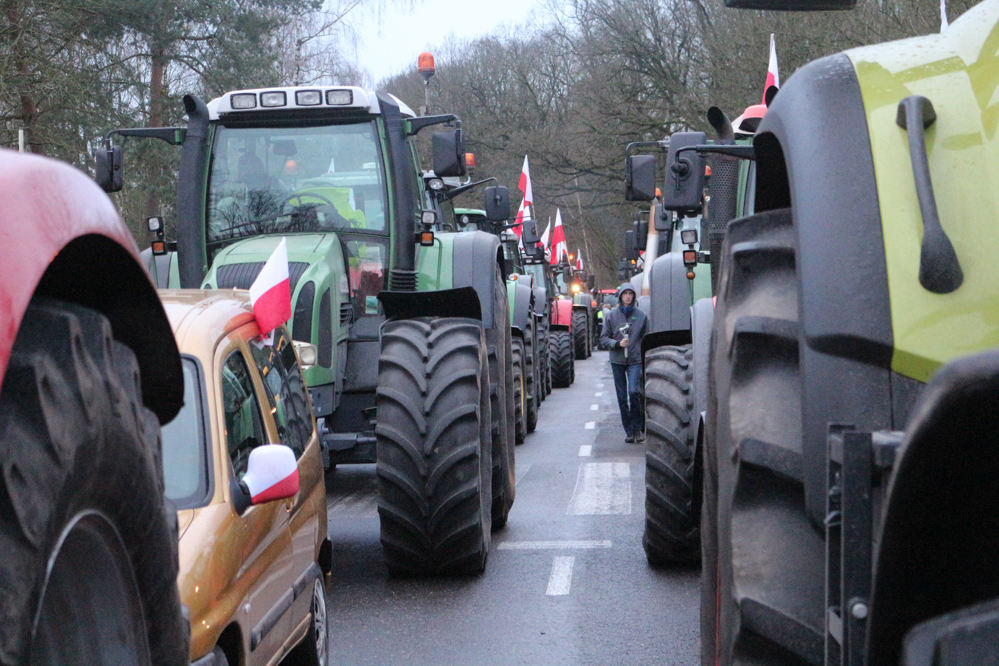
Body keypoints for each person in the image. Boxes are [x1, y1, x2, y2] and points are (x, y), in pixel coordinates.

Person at [600, 284, 648, 443]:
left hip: (635, 360)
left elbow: (647, 337)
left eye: (630, 294)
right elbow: (603, 339)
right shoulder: (611, 315)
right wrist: (616, 344)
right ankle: (629, 431)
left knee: (634, 392)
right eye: (625, 294)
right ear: (620, 296)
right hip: (617, 361)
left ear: (634, 296)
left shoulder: (641, 315)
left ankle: (638, 428)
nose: (628, 296)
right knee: (621, 397)